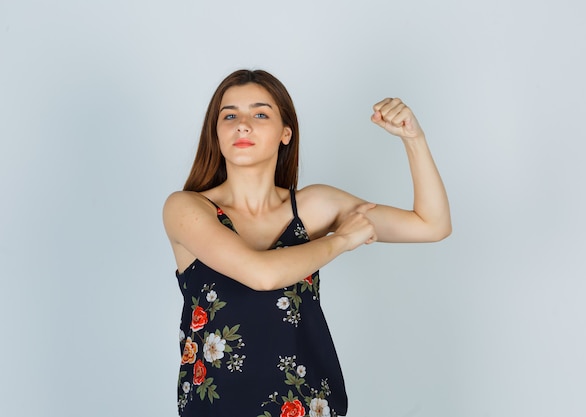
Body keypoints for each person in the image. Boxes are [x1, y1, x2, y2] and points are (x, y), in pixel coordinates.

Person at [163, 69, 451, 417]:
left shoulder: (312, 207)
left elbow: (431, 225)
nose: (242, 124)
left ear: (286, 133)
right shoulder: (186, 208)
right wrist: (341, 240)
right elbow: (261, 275)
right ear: (217, 132)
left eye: (259, 113)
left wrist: (414, 139)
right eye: (229, 115)